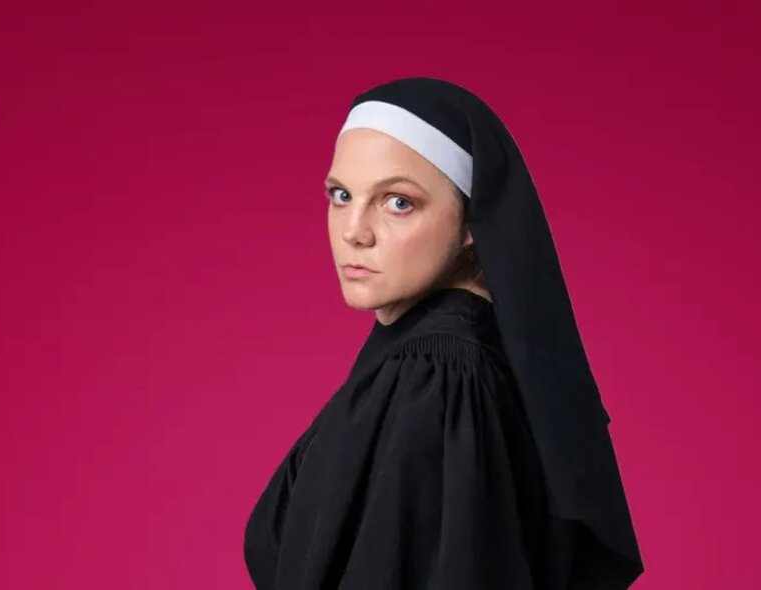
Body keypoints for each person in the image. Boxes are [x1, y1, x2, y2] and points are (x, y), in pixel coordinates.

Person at [243, 77, 645, 589]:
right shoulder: (450, 359)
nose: (353, 231)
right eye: (341, 195)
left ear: (472, 221)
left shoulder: (440, 375)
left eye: (398, 202)